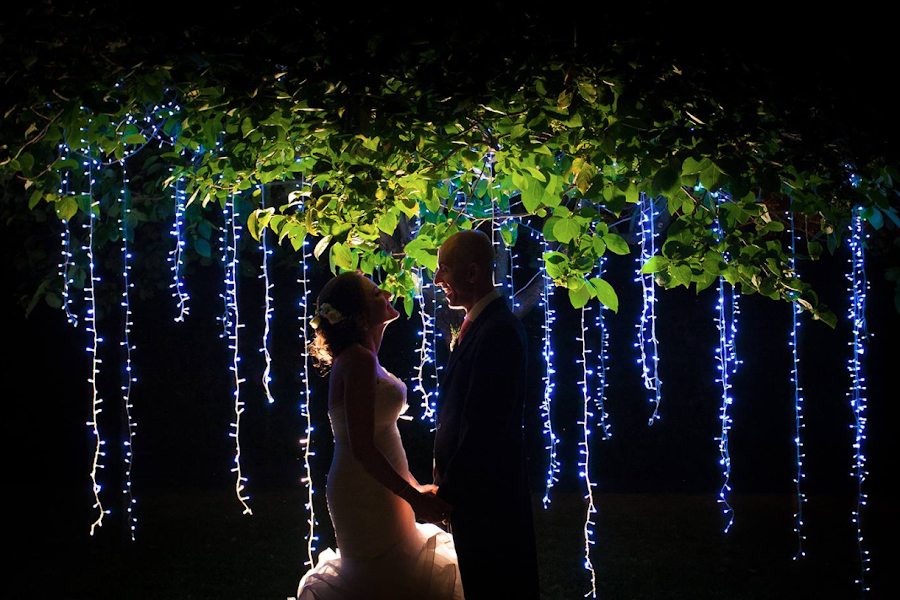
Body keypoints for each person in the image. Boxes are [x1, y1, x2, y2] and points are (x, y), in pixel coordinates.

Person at [294, 271, 463, 600]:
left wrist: (414, 488)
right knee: (386, 578)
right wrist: (413, 499)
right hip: (363, 490)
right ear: (359, 316)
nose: (386, 291)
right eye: (374, 293)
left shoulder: (363, 358)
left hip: (378, 486)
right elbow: (362, 448)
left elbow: (379, 438)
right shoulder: (356, 360)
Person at [432, 229, 540, 600]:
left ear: (473, 273)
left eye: (443, 270)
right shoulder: (484, 326)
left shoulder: (499, 331)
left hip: (488, 502)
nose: (436, 280)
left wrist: (449, 491)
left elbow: (484, 426)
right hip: (477, 497)